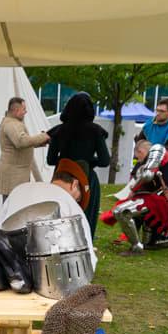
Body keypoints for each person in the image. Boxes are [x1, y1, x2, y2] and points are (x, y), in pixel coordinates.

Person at [101, 140, 168, 256]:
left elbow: (147, 175)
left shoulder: (158, 149)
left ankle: (136, 248)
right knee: (152, 243)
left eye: (138, 157)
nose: (139, 160)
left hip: (163, 199)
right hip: (159, 198)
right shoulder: (160, 156)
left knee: (122, 211)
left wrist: (133, 191)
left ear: (140, 151)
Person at [46, 93, 110, 237]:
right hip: (86, 178)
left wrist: (67, 161)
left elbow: (50, 160)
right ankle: (86, 244)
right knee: (86, 217)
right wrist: (88, 161)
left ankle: (60, 242)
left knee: (61, 215)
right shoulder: (95, 131)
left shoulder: (59, 131)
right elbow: (105, 161)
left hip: (61, 178)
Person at [0, 97, 50, 202]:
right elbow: (21, 141)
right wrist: (44, 136)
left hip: (15, 174)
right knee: (12, 207)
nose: (26, 112)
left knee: (13, 206)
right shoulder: (11, 124)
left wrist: (39, 142)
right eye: (24, 109)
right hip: (12, 175)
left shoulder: (12, 123)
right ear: (16, 110)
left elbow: (18, 144)